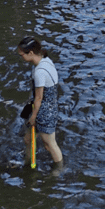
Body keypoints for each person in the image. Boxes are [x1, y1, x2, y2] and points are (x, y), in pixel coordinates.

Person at [17, 37, 63, 165]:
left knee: (50, 145)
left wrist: (33, 117)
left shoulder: (39, 72)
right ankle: (27, 162)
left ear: (30, 53)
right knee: (28, 139)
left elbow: (39, 97)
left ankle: (59, 168)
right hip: (49, 107)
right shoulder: (46, 61)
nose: (21, 58)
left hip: (44, 112)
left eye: (22, 55)